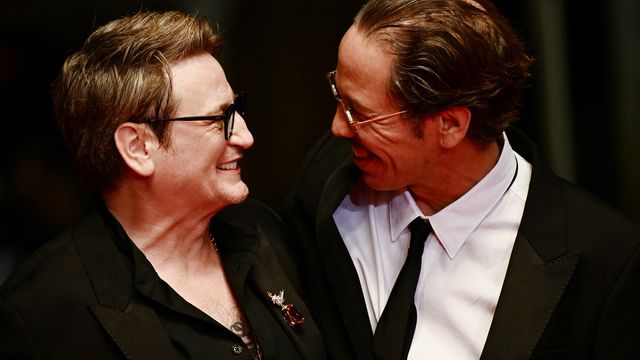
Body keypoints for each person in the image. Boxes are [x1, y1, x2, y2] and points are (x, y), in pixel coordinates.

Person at [279, 0, 640, 359]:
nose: (338, 127)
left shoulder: (605, 259)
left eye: (360, 112)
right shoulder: (328, 176)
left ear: (450, 125)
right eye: (339, 96)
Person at [0, 10, 325, 359]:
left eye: (238, 109)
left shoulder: (265, 234)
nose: (245, 136)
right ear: (138, 147)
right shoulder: (43, 312)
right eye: (219, 119)